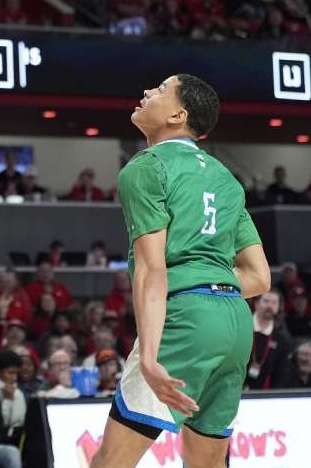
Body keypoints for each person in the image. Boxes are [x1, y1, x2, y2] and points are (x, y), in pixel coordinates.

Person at [89, 75, 271, 468]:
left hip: (183, 320)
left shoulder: (146, 167)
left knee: (110, 462)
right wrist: (209, 286)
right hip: (236, 324)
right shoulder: (227, 179)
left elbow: (152, 271)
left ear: (177, 115)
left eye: (158, 90)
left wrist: (151, 356)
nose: (145, 93)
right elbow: (259, 278)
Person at [247, 290, 293, 390]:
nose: (269, 306)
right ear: (257, 303)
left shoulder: (282, 340)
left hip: (265, 395)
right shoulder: (241, 328)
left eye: (274, 302)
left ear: (278, 307)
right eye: (266, 301)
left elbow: (280, 374)